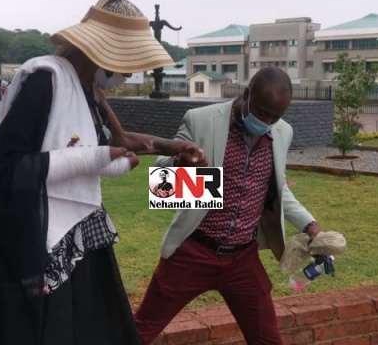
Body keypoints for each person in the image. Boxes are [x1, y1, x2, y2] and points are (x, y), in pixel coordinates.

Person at [0, 0, 204, 344]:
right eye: (126, 63)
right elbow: (2, 170)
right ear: (103, 52)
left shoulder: (89, 90)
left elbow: (119, 141)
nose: (128, 73)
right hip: (35, 238)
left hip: (77, 231)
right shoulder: (46, 80)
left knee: (91, 325)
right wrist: (95, 159)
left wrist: (174, 149)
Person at [134, 67, 323, 345]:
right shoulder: (202, 120)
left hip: (242, 259)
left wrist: (311, 225)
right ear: (246, 94)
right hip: (193, 251)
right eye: (261, 112)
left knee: (268, 339)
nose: (267, 121)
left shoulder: (282, 132)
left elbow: (275, 188)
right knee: (141, 330)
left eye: (275, 116)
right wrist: (183, 166)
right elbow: (161, 184)